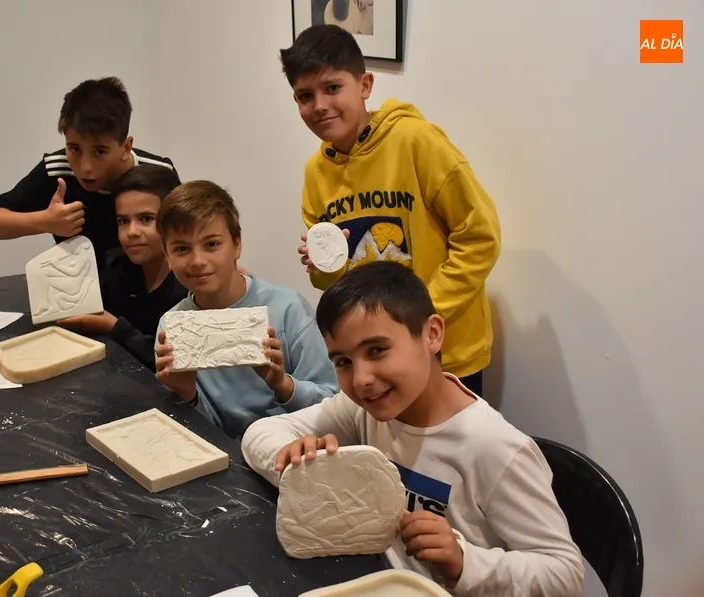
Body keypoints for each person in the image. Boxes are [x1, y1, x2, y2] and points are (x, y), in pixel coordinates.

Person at [241, 261, 584, 596]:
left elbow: (565, 575)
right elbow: (258, 435)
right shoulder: (364, 409)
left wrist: (465, 561)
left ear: (432, 334)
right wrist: (295, 461)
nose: (361, 380)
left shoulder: (495, 448)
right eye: (343, 361)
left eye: (377, 350)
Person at [282, 25, 501, 396]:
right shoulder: (315, 173)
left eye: (332, 87)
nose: (319, 105)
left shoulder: (416, 142)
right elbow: (333, 279)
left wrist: (419, 314)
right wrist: (322, 266)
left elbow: (480, 238)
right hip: (375, 356)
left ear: (365, 85)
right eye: (305, 95)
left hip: (445, 351)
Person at [153, 181, 338, 439]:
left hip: (296, 448)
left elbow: (335, 405)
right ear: (167, 255)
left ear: (237, 244)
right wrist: (186, 394)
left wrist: (282, 384)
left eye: (212, 244)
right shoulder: (172, 326)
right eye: (182, 249)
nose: (198, 261)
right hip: (223, 456)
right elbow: (194, 436)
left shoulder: (288, 309)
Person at [0, 77, 177, 262]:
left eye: (100, 151)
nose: (85, 167)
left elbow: (186, 232)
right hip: (79, 284)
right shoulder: (57, 170)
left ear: (126, 147)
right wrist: (45, 221)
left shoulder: (159, 174)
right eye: (74, 149)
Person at [58, 165, 187, 371]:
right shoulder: (119, 269)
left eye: (146, 219)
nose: (132, 231)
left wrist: (114, 326)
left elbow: (175, 361)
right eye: (123, 221)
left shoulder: (189, 285)